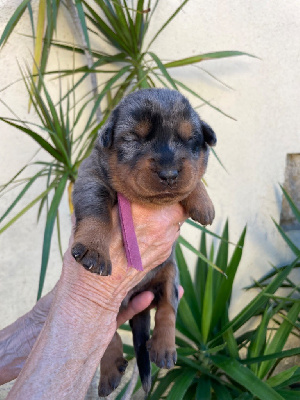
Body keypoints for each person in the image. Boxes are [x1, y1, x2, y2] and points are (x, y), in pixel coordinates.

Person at [0, 202, 186, 399]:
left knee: (170, 273)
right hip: (113, 281)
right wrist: (87, 301)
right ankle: (110, 349)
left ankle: (165, 322)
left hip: (157, 274)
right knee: (100, 292)